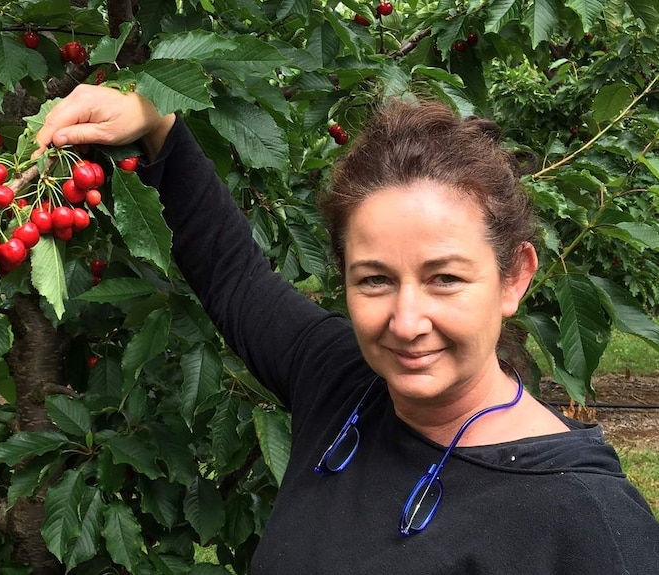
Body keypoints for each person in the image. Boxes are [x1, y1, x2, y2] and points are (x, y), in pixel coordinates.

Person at [35, 85, 659, 574]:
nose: (407, 323)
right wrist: (156, 121)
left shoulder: (589, 525)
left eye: (444, 278)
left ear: (515, 278)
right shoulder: (343, 385)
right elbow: (234, 277)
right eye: (375, 280)